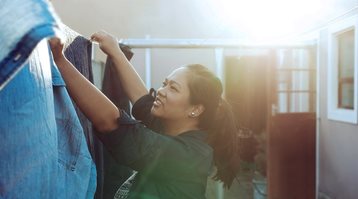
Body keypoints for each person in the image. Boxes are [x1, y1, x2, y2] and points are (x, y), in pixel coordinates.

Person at [49, 30, 241, 199]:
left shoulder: (189, 156)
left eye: (173, 88)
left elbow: (113, 124)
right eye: (165, 83)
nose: (161, 91)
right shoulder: (171, 128)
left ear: (195, 109)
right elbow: (143, 102)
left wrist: (60, 61)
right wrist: (116, 52)